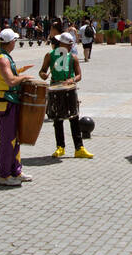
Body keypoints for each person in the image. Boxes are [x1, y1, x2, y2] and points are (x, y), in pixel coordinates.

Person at [0, 28, 36, 186]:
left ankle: (16, 170)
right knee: (7, 140)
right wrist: (23, 77)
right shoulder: (2, 59)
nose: (15, 43)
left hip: (12, 100)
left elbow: (8, 76)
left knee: (15, 139)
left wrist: (21, 70)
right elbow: (10, 81)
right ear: (10, 42)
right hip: (5, 100)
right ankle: (3, 175)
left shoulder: (5, 57)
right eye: (14, 41)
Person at [39, 31, 92, 160]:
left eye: (70, 45)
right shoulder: (50, 56)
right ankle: (60, 146)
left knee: (74, 118)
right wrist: (43, 75)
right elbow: (42, 71)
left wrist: (72, 80)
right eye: (68, 45)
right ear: (61, 44)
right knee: (58, 119)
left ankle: (79, 148)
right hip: (56, 90)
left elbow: (79, 75)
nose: (69, 47)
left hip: (69, 90)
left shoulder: (72, 57)